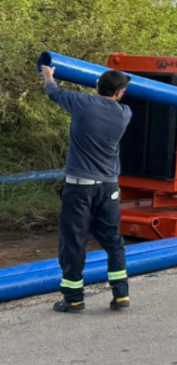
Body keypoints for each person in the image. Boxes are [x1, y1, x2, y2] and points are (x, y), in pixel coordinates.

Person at [40, 65, 133, 313]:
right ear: (120, 93)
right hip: (109, 187)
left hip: (79, 187)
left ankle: (73, 299)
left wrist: (48, 74)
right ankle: (121, 294)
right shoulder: (125, 113)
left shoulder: (81, 103)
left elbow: (53, 91)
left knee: (74, 241)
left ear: (97, 87)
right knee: (113, 241)